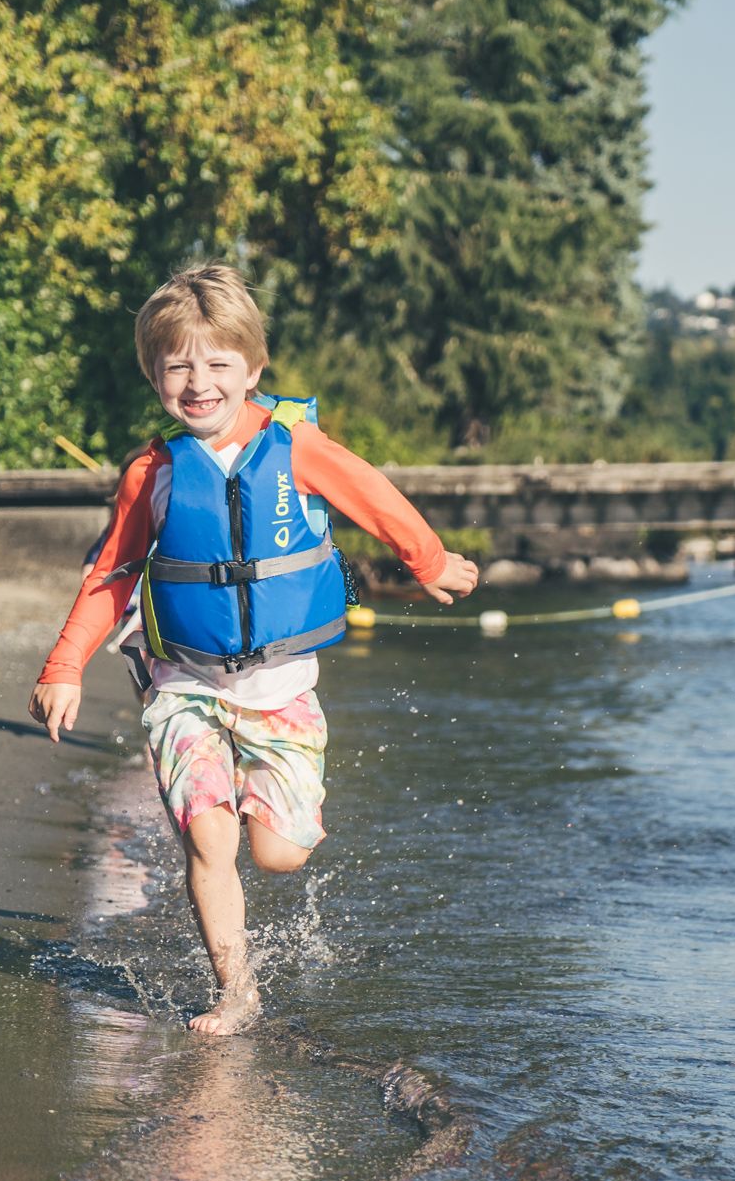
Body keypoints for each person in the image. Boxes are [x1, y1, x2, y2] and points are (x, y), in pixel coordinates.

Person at [29, 264, 478, 1034]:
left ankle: (286, 811)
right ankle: (237, 991)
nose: (198, 382)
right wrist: (64, 666)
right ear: (155, 375)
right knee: (209, 839)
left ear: (254, 371)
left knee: (277, 856)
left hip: (280, 689)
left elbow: (371, 495)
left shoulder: (294, 448)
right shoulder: (154, 470)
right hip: (183, 685)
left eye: (217, 365)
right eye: (178, 367)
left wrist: (428, 560)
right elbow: (112, 572)